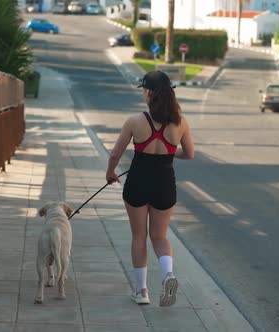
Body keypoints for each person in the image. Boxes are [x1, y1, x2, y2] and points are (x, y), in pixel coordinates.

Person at [106, 71, 195, 306]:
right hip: (165, 183)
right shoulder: (180, 122)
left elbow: (115, 153)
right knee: (160, 236)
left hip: (137, 181)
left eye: (144, 90)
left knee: (139, 236)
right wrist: (168, 152)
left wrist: (110, 173)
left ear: (149, 92)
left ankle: (142, 291)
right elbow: (190, 153)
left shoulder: (135, 121)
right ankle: (168, 275)